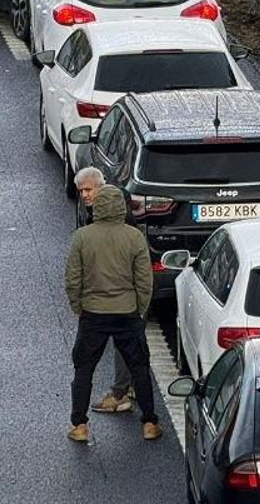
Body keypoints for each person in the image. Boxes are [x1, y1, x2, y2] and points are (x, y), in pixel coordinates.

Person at [65, 185, 162, 444]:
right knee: (139, 366)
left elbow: (73, 279)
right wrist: (140, 309)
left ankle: (80, 424)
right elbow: (144, 280)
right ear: (121, 206)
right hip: (127, 312)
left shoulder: (82, 237)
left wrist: (78, 305)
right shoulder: (134, 237)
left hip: (93, 313)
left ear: (97, 207)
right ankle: (150, 422)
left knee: (84, 368)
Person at [74, 167, 135, 415]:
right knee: (127, 343)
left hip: (114, 294)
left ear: (101, 187)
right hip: (124, 293)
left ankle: (120, 393)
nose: (85, 196)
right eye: (81, 192)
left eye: (88, 190)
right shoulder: (113, 208)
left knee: (112, 345)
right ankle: (127, 387)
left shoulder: (114, 217)